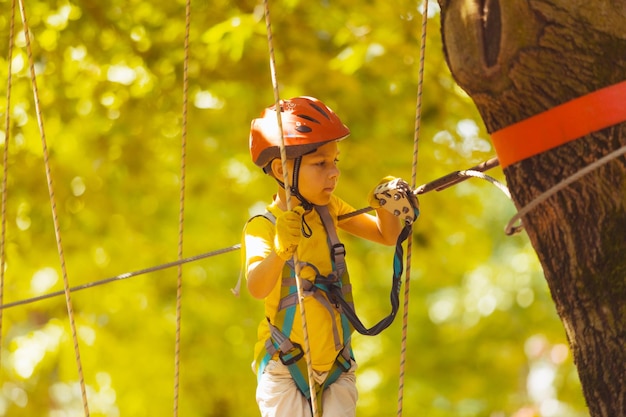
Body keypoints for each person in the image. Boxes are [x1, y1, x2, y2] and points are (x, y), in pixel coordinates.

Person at [242, 96, 414, 417]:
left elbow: (385, 235)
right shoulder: (261, 227)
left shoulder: (329, 210)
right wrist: (281, 249)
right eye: (320, 164)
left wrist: (386, 200)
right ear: (281, 169)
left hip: (337, 365)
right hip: (284, 365)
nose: (333, 173)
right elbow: (256, 286)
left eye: (335, 162)